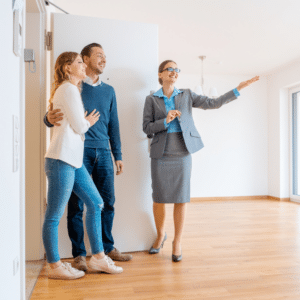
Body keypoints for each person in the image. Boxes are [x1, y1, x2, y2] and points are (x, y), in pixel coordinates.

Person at [143, 59, 259, 262]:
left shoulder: (186, 94)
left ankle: (177, 241)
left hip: (182, 149)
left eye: (177, 69)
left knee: (181, 196)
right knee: (159, 197)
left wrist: (237, 89)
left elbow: (212, 103)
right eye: (170, 69)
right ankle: (161, 235)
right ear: (160, 74)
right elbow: (146, 128)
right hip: (160, 152)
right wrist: (165, 120)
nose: (174, 72)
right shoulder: (151, 99)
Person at [44, 43, 132, 272]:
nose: (103, 59)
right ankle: (79, 255)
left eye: (105, 55)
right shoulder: (74, 86)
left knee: (103, 202)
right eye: (97, 56)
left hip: (101, 151)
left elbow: (114, 124)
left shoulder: (107, 90)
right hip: (75, 153)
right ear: (83, 60)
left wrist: (118, 154)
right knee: (75, 205)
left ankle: (104, 250)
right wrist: (47, 118)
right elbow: (60, 110)